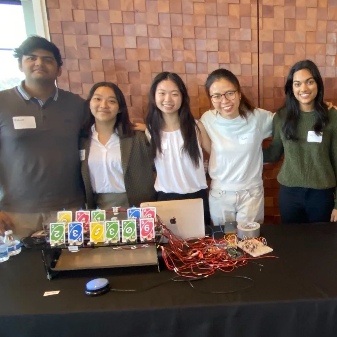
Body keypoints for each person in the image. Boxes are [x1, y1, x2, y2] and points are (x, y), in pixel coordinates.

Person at [0, 36, 86, 239]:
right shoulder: (2, 103)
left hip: (70, 211)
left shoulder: (77, 105)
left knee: (73, 268)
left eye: (47, 59)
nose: (39, 63)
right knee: (21, 270)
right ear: (20, 64)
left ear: (59, 69)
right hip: (15, 213)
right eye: (31, 58)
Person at [263, 60, 337, 223]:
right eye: (297, 84)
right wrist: (242, 151)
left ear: (318, 84)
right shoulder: (282, 116)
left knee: (320, 245)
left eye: (309, 82)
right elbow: (274, 153)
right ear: (291, 88)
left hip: (321, 196)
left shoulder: (332, 116)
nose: (303, 89)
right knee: (292, 243)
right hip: (290, 195)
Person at [200, 68, 274, 226]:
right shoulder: (207, 120)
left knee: (250, 244)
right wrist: (149, 127)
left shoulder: (258, 117)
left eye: (230, 93)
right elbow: (181, 128)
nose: (224, 100)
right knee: (225, 246)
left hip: (251, 193)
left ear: (239, 94)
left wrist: (323, 109)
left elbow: (288, 123)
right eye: (217, 96)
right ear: (211, 99)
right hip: (220, 194)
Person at [145, 72, 211, 225]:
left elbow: (216, 155)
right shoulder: (150, 130)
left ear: (182, 97)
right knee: (168, 245)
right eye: (162, 93)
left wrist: (207, 170)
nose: (167, 99)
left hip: (196, 197)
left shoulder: (196, 127)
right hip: (165, 198)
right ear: (154, 96)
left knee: (200, 245)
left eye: (174, 94)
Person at [80, 82, 156, 209]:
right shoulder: (82, 140)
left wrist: (150, 131)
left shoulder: (137, 138)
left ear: (120, 108)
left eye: (111, 101)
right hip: (97, 207)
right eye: (98, 99)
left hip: (136, 205)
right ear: (89, 103)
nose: (103, 105)